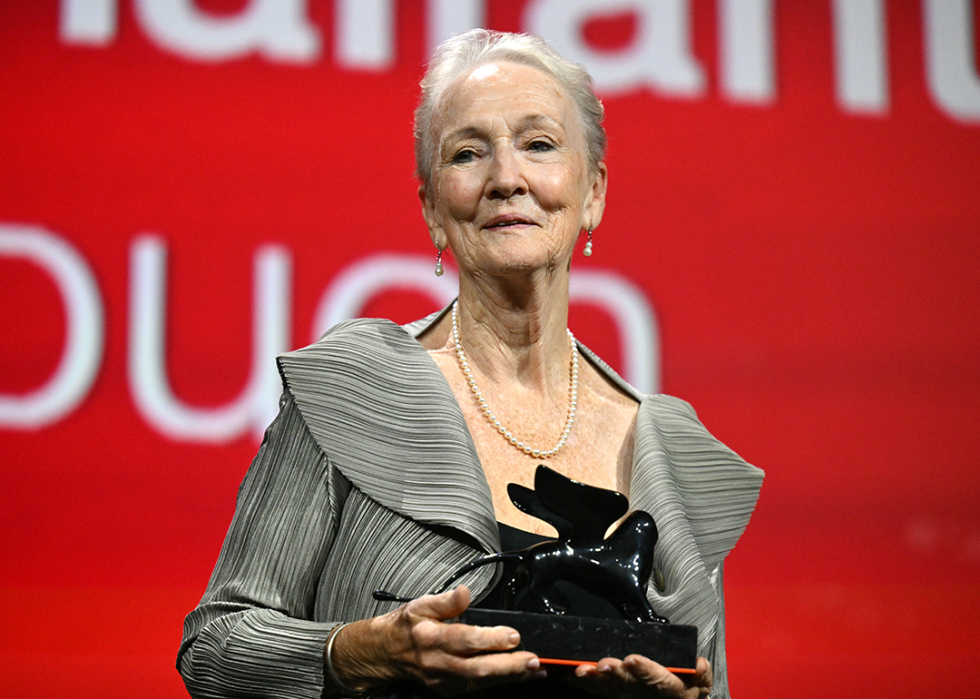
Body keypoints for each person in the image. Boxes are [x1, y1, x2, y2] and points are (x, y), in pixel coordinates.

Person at [177, 29, 763, 699]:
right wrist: (364, 650)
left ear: (593, 192)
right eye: (467, 153)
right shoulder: (353, 390)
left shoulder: (672, 455)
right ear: (433, 209)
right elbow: (215, 647)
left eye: (538, 145)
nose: (506, 178)